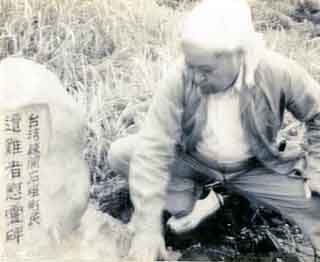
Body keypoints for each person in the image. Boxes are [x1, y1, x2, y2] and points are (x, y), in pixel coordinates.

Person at [108, 0, 320, 261]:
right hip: (195, 160)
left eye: (206, 70)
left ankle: (234, 199)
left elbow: (318, 115)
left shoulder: (278, 72)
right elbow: (153, 146)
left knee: (317, 207)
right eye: (191, 67)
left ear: (239, 53)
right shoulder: (180, 76)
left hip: (255, 167)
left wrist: (316, 170)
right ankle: (202, 200)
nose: (195, 78)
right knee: (122, 154)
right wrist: (147, 227)